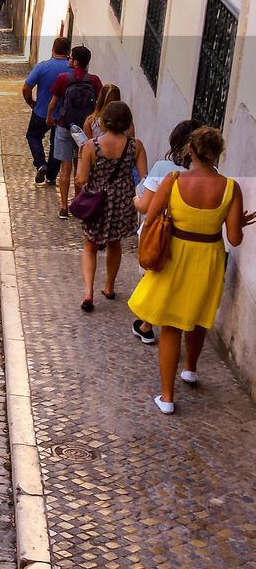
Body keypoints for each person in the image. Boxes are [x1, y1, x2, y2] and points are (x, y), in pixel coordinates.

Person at [129, 126, 255, 414]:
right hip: (208, 257)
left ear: (190, 151)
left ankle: (167, 397)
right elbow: (234, 238)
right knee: (197, 316)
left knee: (171, 324)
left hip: (175, 255)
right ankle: (191, 370)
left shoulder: (173, 181)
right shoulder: (231, 188)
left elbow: (150, 219)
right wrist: (238, 223)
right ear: (217, 154)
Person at [129, 118, 199, 344]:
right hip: (189, 239)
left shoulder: (162, 168)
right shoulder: (211, 173)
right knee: (175, 282)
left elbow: (145, 206)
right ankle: (158, 323)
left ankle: (148, 325)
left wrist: (136, 198)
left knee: (154, 280)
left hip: (158, 235)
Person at [74, 102, 147, 312]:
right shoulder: (136, 146)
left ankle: (88, 292)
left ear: (104, 121)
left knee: (90, 246)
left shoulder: (91, 146)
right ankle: (109, 287)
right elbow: (144, 178)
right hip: (123, 202)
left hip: (97, 201)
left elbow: (82, 178)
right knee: (115, 243)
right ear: (128, 122)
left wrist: (82, 160)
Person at [46, 45, 103, 220]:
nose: (68, 60)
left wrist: (49, 117)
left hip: (65, 126)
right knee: (80, 167)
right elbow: (100, 105)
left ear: (76, 62)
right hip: (84, 130)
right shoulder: (94, 80)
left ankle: (64, 207)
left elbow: (54, 103)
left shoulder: (63, 78)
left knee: (65, 167)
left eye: (70, 58)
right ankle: (77, 204)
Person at [22, 36, 70, 187]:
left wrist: (30, 102)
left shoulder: (42, 67)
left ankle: (41, 163)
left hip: (41, 112)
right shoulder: (72, 70)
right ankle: (51, 176)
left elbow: (26, 88)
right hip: (63, 115)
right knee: (56, 143)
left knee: (33, 136)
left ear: (53, 49)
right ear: (68, 51)